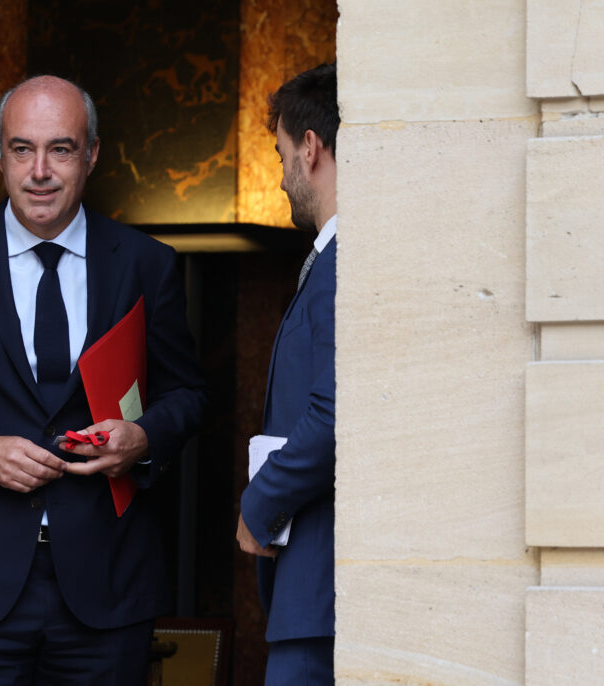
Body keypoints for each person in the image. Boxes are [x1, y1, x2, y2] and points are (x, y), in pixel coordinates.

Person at [0, 75, 206, 684]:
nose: (39, 171)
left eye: (60, 149)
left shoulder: (147, 263)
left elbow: (188, 395)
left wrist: (144, 438)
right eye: (22, 149)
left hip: (108, 585)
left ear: (91, 154)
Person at [236, 62, 339, 684]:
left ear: (310, 147)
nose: (278, 179)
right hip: (314, 597)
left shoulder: (341, 263)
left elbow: (335, 412)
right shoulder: (332, 261)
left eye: (279, 157)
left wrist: (260, 503)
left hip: (318, 594)